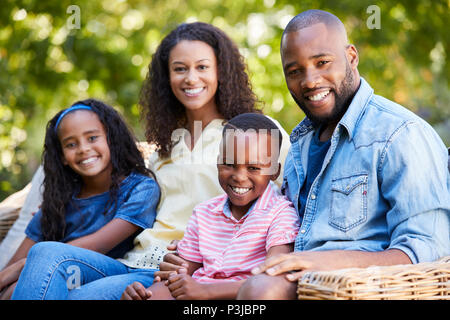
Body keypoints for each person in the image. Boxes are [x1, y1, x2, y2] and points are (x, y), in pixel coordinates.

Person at [10, 22, 291, 300]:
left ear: (222, 72)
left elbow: (283, 201)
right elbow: (121, 197)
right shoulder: (164, 146)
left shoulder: (256, 134)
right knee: (46, 253)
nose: (191, 78)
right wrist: (62, 204)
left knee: (76, 296)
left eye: (202, 67)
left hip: (186, 267)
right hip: (130, 262)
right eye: (180, 69)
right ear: (166, 78)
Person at [234, 9, 450, 299]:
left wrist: (320, 261)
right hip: (297, 279)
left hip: (361, 289)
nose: (309, 81)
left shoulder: (400, 134)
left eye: (322, 62)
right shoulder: (300, 142)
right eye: (294, 71)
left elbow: (427, 248)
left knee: (261, 292)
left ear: (351, 56)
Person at [121, 113, 300, 300]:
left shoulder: (281, 213)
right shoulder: (204, 212)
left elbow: (273, 277)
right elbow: (178, 276)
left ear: (274, 171)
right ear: (218, 162)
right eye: (229, 164)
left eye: (253, 168)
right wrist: (146, 295)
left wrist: (206, 291)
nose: (239, 176)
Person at [2, 99, 160, 299]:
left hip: (111, 272)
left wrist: (30, 264)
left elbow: (98, 244)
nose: (83, 149)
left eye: (92, 138)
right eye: (71, 144)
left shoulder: (140, 188)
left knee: (42, 256)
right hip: (59, 276)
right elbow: (13, 265)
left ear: (111, 139)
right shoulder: (57, 203)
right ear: (62, 157)